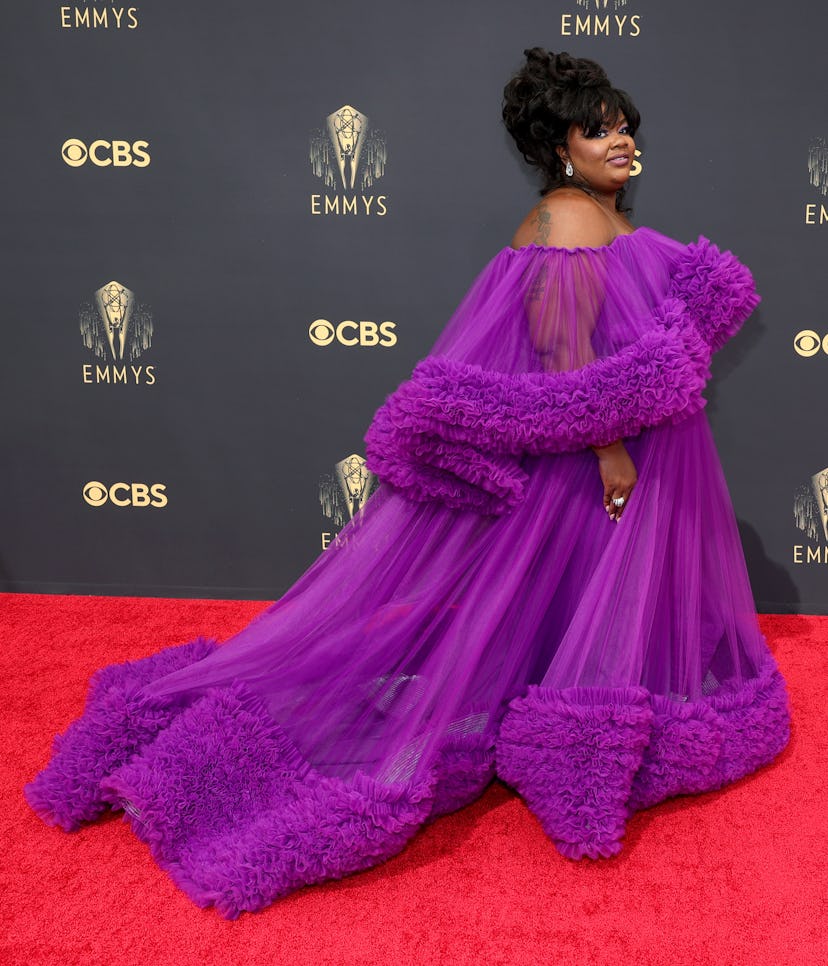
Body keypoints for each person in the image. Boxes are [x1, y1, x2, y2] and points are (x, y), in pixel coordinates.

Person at [24, 49, 791, 919]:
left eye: (623, 124)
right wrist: (613, 450)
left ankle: (548, 724)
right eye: (597, 127)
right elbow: (563, 350)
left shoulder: (595, 219)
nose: (621, 140)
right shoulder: (568, 221)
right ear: (557, 145)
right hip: (583, 469)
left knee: (552, 612)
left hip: (597, 465)